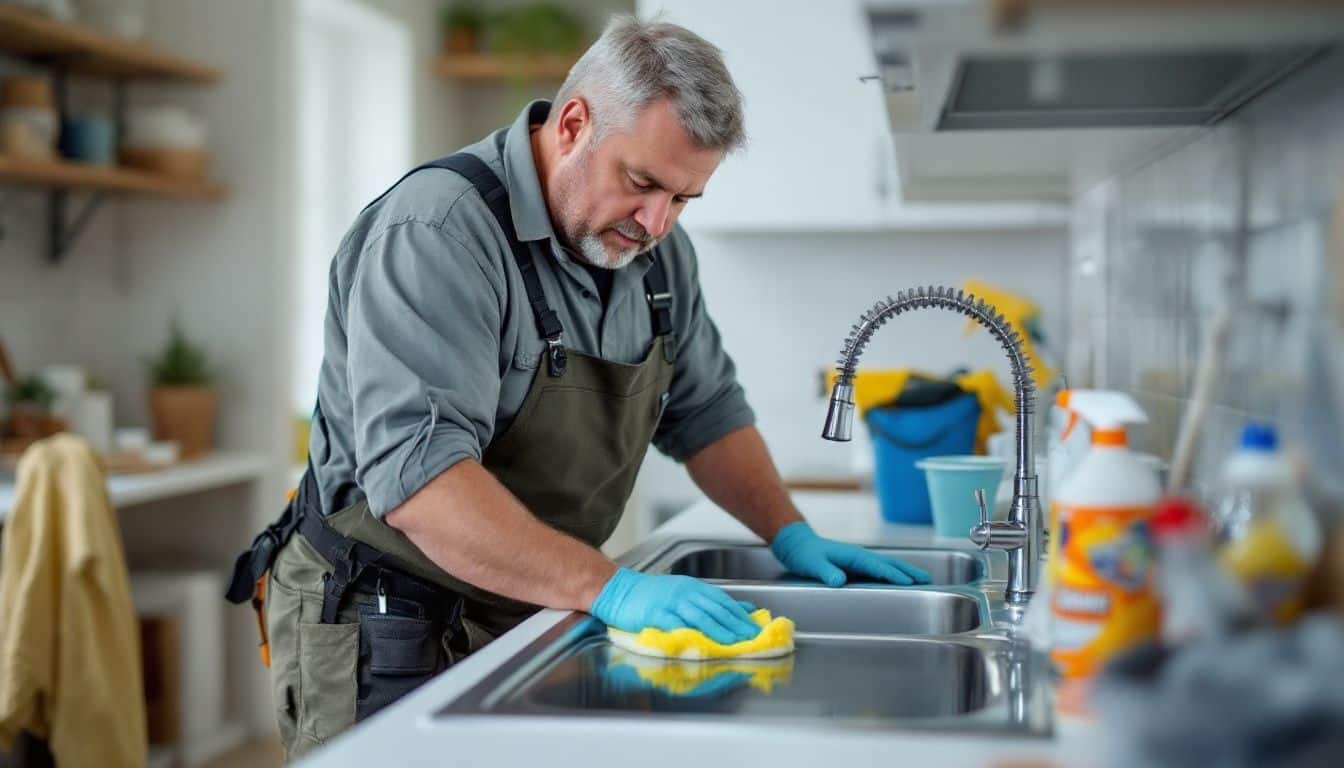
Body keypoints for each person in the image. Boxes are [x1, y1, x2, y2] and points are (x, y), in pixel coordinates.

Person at [228, 15, 929, 760]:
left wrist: (790, 532)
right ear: (572, 125)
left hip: (529, 600)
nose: (659, 221)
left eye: (685, 198)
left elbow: (708, 412)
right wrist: (610, 588)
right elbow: (422, 485)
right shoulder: (436, 233)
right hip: (385, 614)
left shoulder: (658, 256)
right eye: (643, 182)